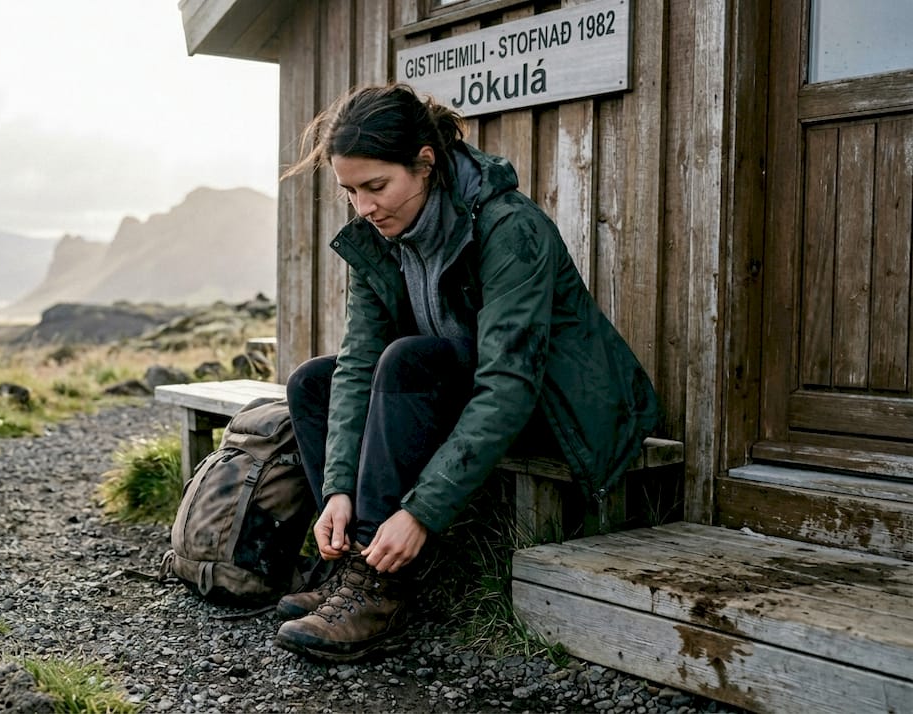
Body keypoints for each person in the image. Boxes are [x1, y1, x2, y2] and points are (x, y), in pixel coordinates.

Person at [273, 84, 661, 663]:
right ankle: (358, 560)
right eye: (350, 191)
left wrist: (420, 512)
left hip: (554, 408)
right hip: (462, 394)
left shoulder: (509, 228)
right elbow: (357, 365)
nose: (364, 207)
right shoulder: (379, 238)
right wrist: (336, 488)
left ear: (425, 163)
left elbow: (509, 385)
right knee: (315, 381)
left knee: (408, 360)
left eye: (376, 187)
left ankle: (381, 586)